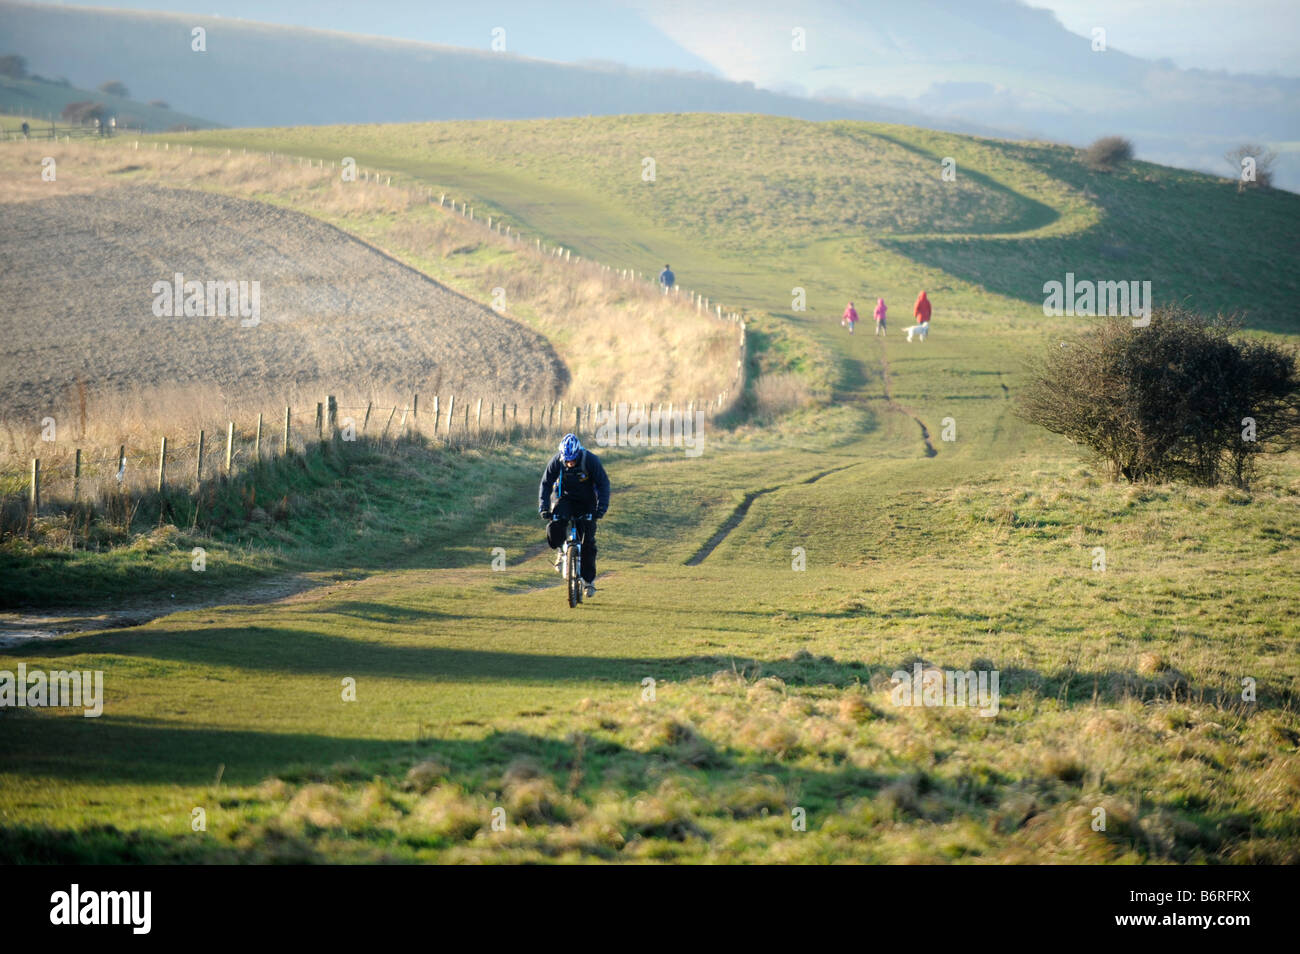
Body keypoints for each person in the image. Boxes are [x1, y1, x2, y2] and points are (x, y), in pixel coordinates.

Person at [539, 433, 610, 598]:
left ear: (578, 454)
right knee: (555, 525)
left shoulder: (590, 460)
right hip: (564, 499)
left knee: (588, 543)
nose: (570, 463)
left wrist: (601, 508)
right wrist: (544, 507)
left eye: (573, 460)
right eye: (567, 460)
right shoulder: (557, 461)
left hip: (587, 502)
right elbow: (546, 483)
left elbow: (603, 484)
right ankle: (561, 552)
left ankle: (588, 581)